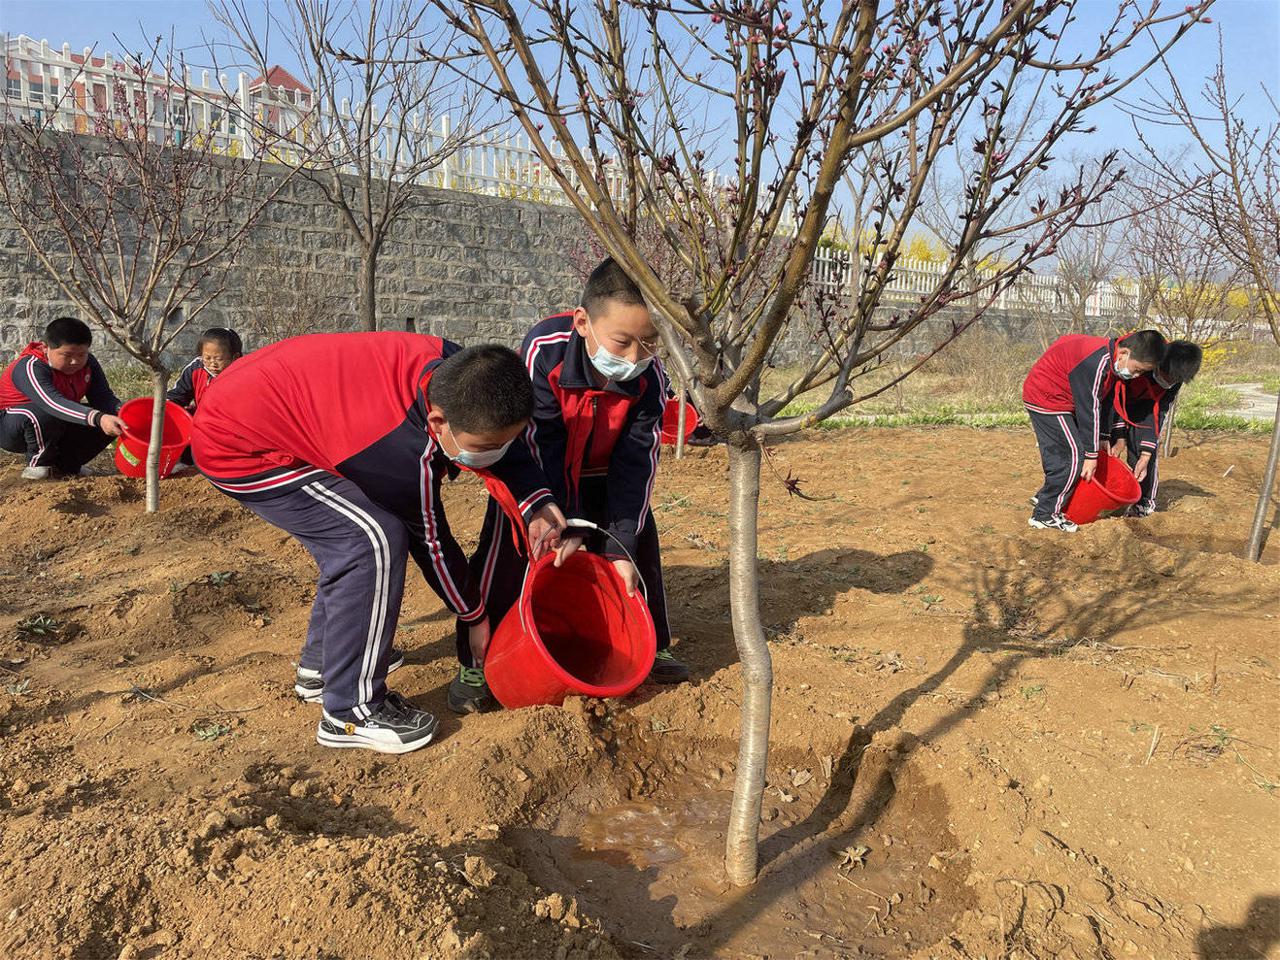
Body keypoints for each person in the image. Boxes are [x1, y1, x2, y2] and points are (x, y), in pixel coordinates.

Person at [191, 333, 567, 754]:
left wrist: (537, 498)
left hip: (278, 403)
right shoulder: (392, 450)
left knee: (361, 535)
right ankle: (350, 712)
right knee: (369, 539)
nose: (496, 454)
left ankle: (320, 668)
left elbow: (498, 436)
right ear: (439, 423)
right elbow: (432, 541)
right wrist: (473, 613)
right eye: (485, 449)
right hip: (239, 443)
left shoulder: (460, 370)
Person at [448, 258, 686, 715]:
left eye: (650, 342)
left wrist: (620, 550)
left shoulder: (650, 381)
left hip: (604, 474)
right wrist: (563, 520)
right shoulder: (546, 350)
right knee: (506, 552)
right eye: (622, 341)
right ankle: (475, 661)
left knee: (637, 547)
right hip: (538, 477)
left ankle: (652, 643)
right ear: (583, 322)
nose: (635, 356)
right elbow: (542, 443)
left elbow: (636, 466)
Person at [1021, 329, 1166, 533]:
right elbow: (1089, 409)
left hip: (1064, 398)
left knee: (1076, 453)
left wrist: (1103, 436)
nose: (1136, 376)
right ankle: (1044, 514)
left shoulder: (1111, 361)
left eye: (1142, 373)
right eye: (1137, 369)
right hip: (1048, 397)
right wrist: (1091, 455)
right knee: (1072, 457)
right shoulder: (1096, 362)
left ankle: (1048, 495)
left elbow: (1105, 399)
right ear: (1124, 353)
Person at [0, 317, 125, 479]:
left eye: (82, 354)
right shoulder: (30, 366)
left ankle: (67, 465)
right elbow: (51, 402)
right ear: (46, 347)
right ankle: (39, 465)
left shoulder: (89, 365)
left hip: (56, 423)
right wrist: (98, 418)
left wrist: (122, 410)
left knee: (114, 416)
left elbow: (103, 397)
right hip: (12, 427)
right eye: (66, 355)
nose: (75, 361)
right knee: (46, 413)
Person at [1109, 339, 1203, 517]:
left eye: (1173, 380)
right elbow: (1113, 397)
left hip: (1145, 410)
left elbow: (1159, 411)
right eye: (1165, 376)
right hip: (1114, 402)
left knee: (1145, 453)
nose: (1167, 382)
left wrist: (1145, 454)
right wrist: (1119, 434)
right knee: (1103, 446)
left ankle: (1144, 502)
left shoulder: (1176, 379)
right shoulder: (1142, 363)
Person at [169, 327, 244, 471]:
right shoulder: (196, 369)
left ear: (235, 357)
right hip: (203, 421)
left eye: (219, 359)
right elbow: (177, 396)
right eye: (207, 358)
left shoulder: (242, 374)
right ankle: (186, 461)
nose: (212, 364)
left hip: (230, 426)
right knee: (185, 418)